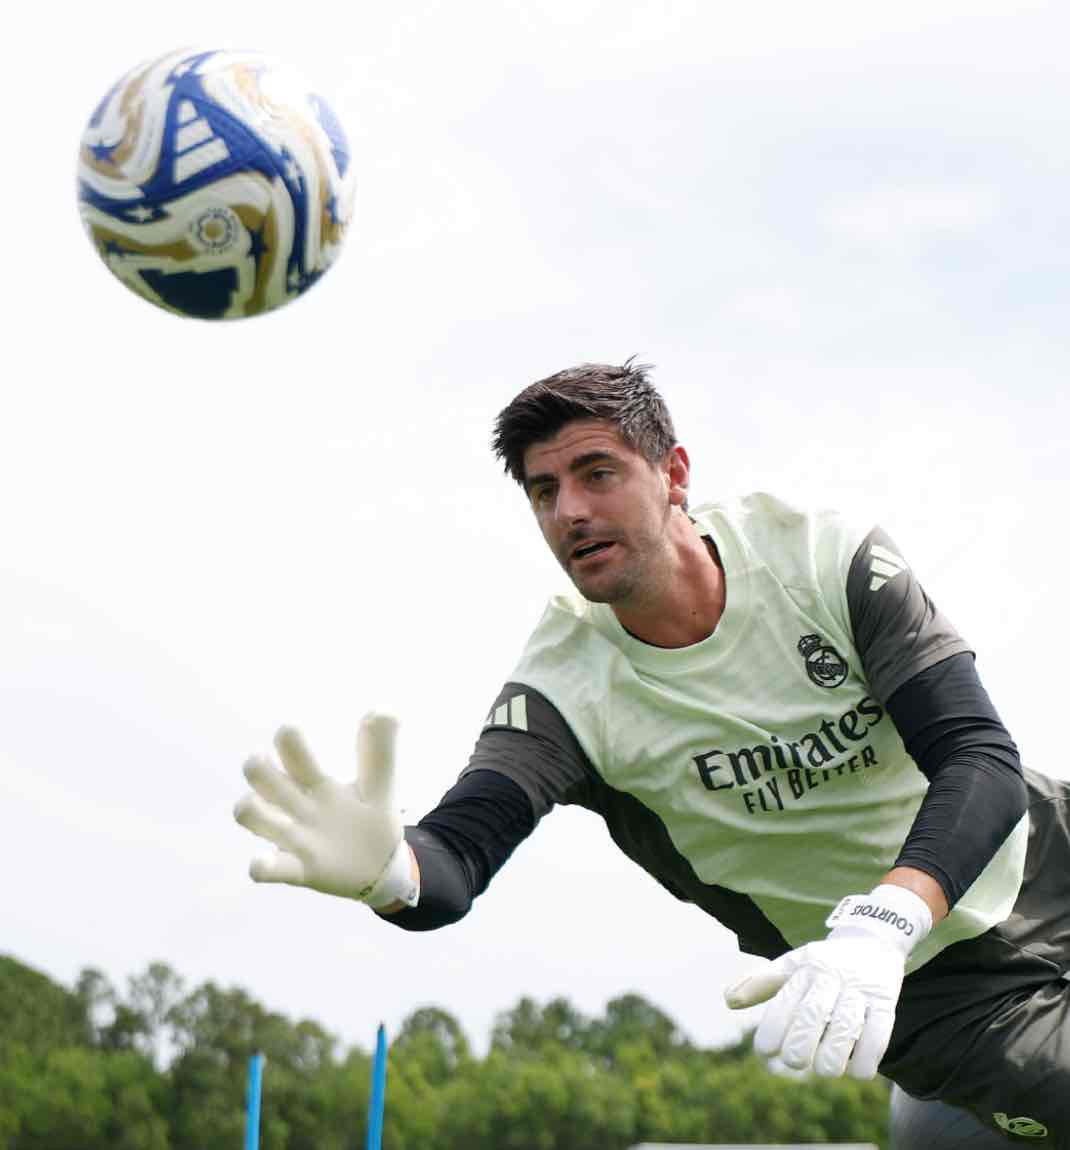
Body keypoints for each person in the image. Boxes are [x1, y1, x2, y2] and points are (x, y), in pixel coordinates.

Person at [234, 360, 1070, 1145]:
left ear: (673, 474)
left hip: (1037, 853)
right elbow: (455, 857)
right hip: (924, 993)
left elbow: (977, 755)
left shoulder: (823, 557)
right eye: (543, 491)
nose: (569, 511)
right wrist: (391, 873)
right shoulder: (563, 691)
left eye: (597, 474)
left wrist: (884, 920)